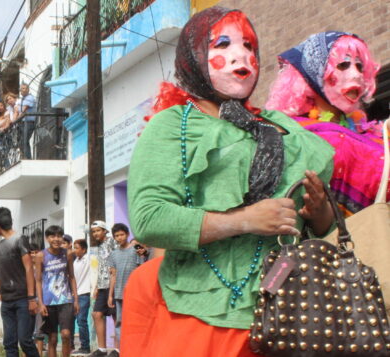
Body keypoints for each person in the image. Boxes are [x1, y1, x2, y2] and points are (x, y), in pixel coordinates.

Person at [123, 7, 334, 356]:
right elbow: (148, 218)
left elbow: (317, 228)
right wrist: (245, 220)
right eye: (223, 44)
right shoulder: (173, 126)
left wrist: (319, 211)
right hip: (200, 315)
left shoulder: (284, 128)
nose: (242, 55)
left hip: (290, 314)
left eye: (249, 45)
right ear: (193, 56)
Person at [265, 31, 384, 215]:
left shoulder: (370, 133)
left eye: (360, 67)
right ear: (314, 73)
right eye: (343, 65)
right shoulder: (297, 134)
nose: (357, 75)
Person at [0, 207, 39, 357]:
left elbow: (28, 269)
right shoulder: (0, 245)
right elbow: (3, 276)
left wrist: (32, 298)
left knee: (25, 341)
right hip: (7, 302)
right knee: (9, 344)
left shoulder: (20, 239)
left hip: (23, 301)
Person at [34, 225, 78, 357]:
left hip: (66, 300)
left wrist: (76, 299)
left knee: (66, 334)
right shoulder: (41, 256)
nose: (56, 239)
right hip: (48, 302)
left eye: (59, 236)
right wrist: (40, 303)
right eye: (53, 236)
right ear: (47, 238)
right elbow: (38, 281)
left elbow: (71, 277)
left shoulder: (68, 254)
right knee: (52, 339)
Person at [106, 224, 142, 349]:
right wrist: (110, 295)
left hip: (134, 293)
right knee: (120, 322)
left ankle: (137, 349)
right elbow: (113, 276)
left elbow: (141, 269)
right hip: (119, 293)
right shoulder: (113, 254)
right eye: (116, 236)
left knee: (135, 322)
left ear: (127, 234)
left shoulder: (136, 250)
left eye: (122, 235)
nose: (119, 238)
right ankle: (124, 349)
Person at [89, 220, 117, 357]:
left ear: (105, 230)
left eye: (98, 230)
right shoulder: (99, 246)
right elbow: (101, 267)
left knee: (115, 315)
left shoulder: (112, 241)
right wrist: (97, 287)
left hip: (114, 283)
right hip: (102, 286)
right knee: (97, 314)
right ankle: (102, 349)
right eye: (93, 231)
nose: (95, 234)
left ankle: (117, 349)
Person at [71, 239, 91, 354]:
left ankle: (85, 346)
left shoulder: (88, 259)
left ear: (84, 249)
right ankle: (71, 345)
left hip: (84, 294)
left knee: (81, 320)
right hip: (74, 294)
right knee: (71, 320)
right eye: (74, 247)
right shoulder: (75, 261)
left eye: (77, 248)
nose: (74, 250)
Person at [14, 83, 37, 159]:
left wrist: (16, 119)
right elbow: (17, 110)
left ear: (28, 89)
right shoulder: (22, 100)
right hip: (22, 123)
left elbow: (23, 110)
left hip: (29, 123)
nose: (22, 90)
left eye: (24, 88)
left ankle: (28, 158)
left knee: (24, 140)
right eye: (21, 88)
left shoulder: (30, 98)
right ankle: (23, 156)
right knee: (21, 141)